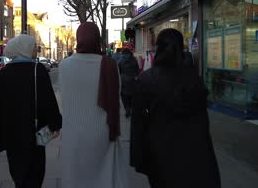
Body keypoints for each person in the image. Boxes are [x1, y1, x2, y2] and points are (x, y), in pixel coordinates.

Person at [130, 28, 221, 188]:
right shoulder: (194, 80)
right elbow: (203, 123)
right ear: (181, 49)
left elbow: (138, 125)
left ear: (158, 49)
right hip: (196, 157)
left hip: (161, 156)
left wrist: (139, 158)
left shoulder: (146, 80)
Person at [59, 22, 129, 188]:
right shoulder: (110, 65)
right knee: (104, 177)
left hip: (73, 136)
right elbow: (116, 97)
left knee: (76, 178)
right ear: (98, 39)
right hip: (103, 132)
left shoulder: (64, 65)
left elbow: (65, 97)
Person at [0, 34, 62, 188]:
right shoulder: (38, 69)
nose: (37, 49)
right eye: (34, 46)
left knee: (18, 174)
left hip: (12, 134)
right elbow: (49, 101)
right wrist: (55, 124)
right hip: (34, 132)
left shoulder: (5, 72)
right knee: (35, 173)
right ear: (25, 48)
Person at [117, 48, 140, 118]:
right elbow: (137, 70)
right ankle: (130, 107)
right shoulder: (134, 60)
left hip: (123, 80)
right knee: (132, 95)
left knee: (124, 96)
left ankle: (127, 108)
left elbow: (118, 71)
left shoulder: (120, 60)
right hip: (132, 79)